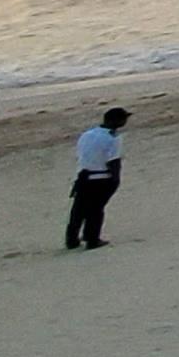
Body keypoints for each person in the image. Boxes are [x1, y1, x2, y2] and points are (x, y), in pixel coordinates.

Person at [66, 106, 130, 250]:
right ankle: (92, 239)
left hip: (84, 176)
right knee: (96, 210)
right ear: (116, 121)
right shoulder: (113, 138)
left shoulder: (87, 134)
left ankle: (71, 239)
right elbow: (113, 161)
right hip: (101, 178)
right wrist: (115, 179)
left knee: (78, 210)